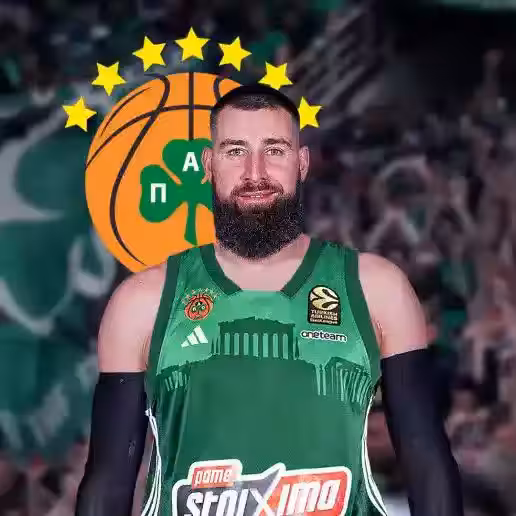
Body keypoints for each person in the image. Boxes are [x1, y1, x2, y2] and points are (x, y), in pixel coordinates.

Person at [75, 84, 463, 516]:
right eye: (235, 151)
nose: (254, 172)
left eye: (274, 150)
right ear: (208, 164)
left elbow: (428, 465)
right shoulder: (141, 302)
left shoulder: (377, 288)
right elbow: (107, 483)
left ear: (302, 163)